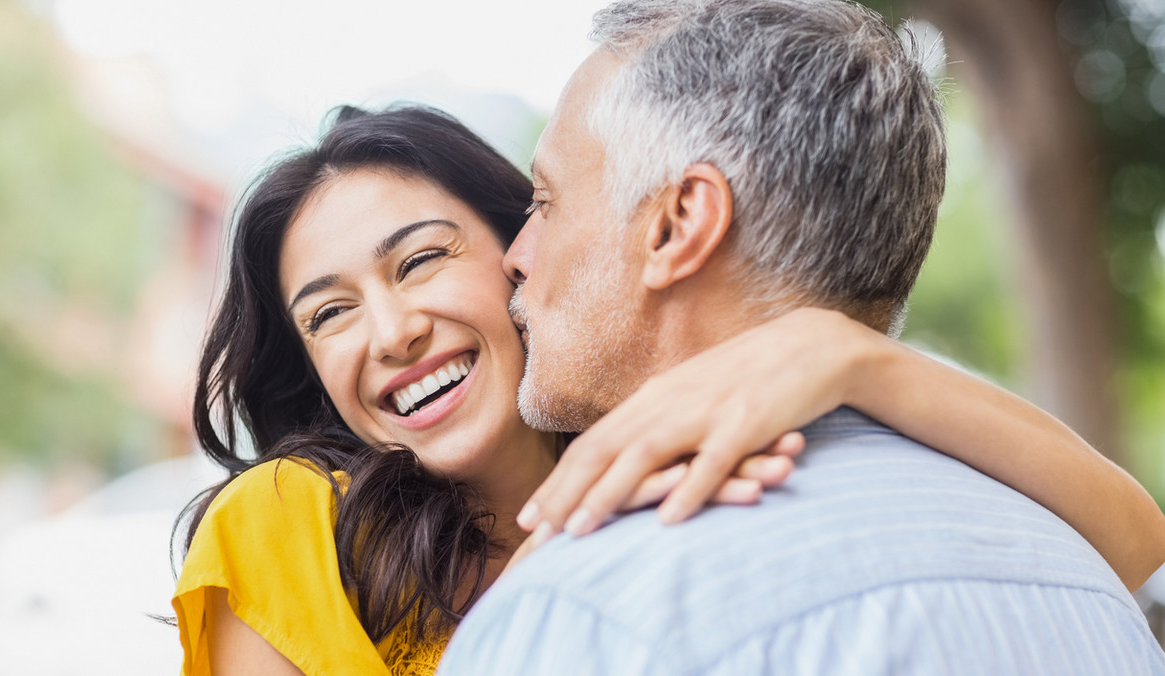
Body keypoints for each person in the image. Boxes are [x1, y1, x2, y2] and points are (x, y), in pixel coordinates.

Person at [170, 104, 1162, 676]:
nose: (390, 334)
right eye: (329, 313)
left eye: (421, 260)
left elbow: (1136, 546)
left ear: (523, 251)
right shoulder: (286, 527)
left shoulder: (692, 437)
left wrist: (859, 358)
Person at [435, 0, 1165, 674]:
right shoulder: (1089, 584)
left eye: (545, 201)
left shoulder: (577, 613)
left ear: (678, 224)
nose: (516, 254)